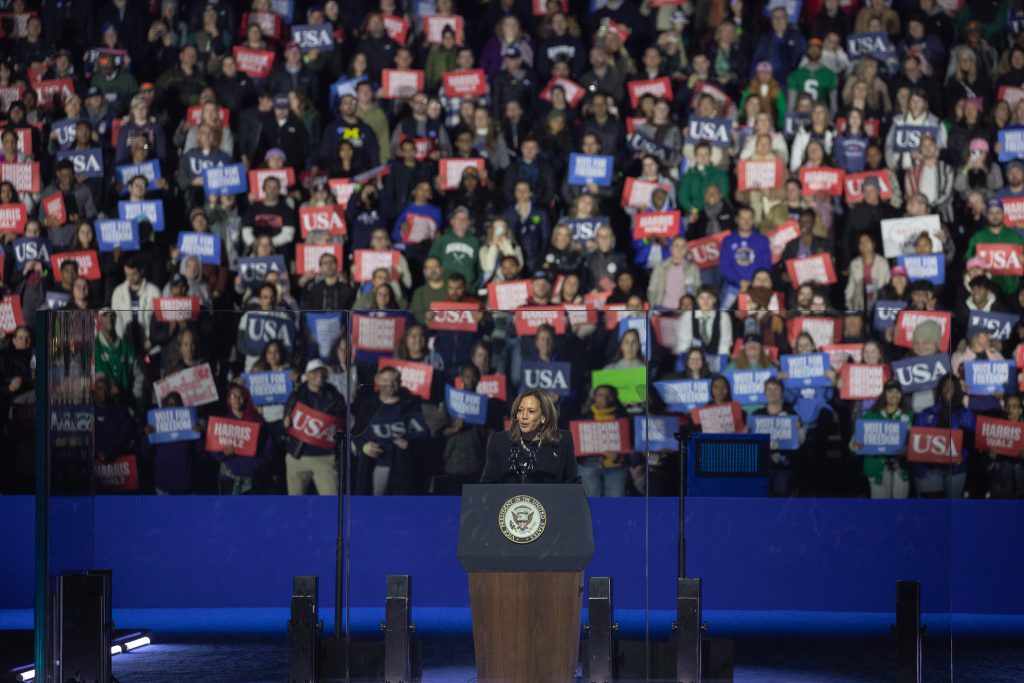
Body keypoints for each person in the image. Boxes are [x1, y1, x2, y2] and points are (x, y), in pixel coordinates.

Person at [481, 389, 580, 484]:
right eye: (520, 410)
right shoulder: (498, 442)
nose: (524, 416)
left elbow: (573, 484)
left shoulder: (562, 441)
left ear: (543, 417)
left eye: (531, 411)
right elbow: (488, 485)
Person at [282, 359, 346, 496]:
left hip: (325, 458)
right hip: (298, 456)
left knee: (332, 503)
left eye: (322, 371)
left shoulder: (336, 397)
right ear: (306, 374)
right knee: (295, 503)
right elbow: (287, 420)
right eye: (314, 371)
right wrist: (286, 419)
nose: (319, 375)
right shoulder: (296, 395)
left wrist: (336, 434)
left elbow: (340, 424)